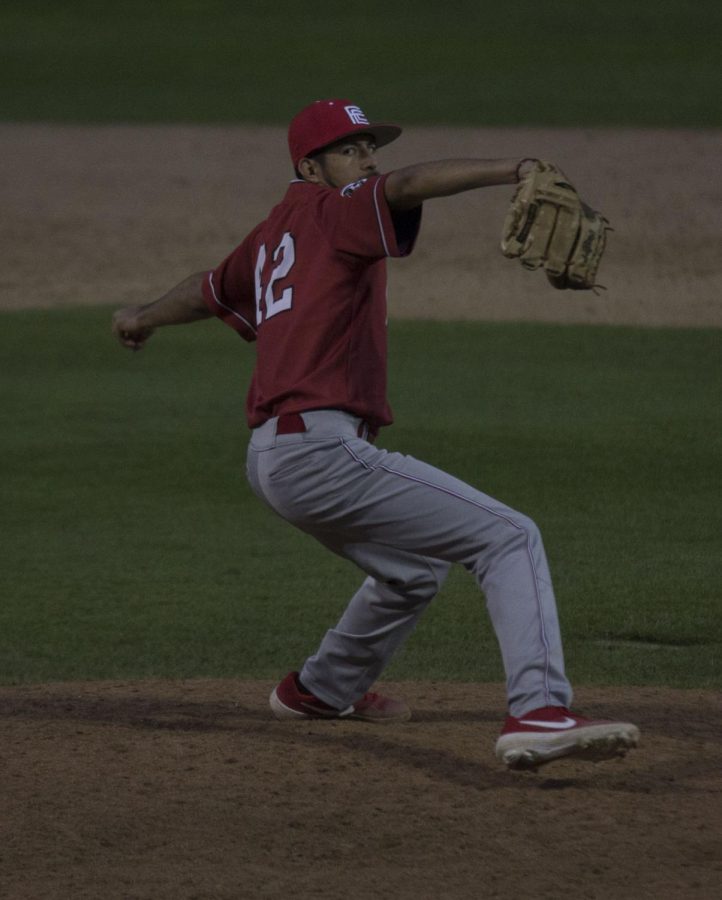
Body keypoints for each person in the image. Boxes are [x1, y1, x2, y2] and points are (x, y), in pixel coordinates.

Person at [112, 99, 639, 770]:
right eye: (350, 150)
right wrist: (514, 166)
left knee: (412, 573)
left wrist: (142, 316)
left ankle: (320, 689)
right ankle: (538, 710)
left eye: (369, 146)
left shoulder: (275, 233)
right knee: (508, 536)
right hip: (319, 453)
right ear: (310, 165)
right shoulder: (336, 213)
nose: (367, 159)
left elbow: (207, 289)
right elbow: (408, 183)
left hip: (276, 459)